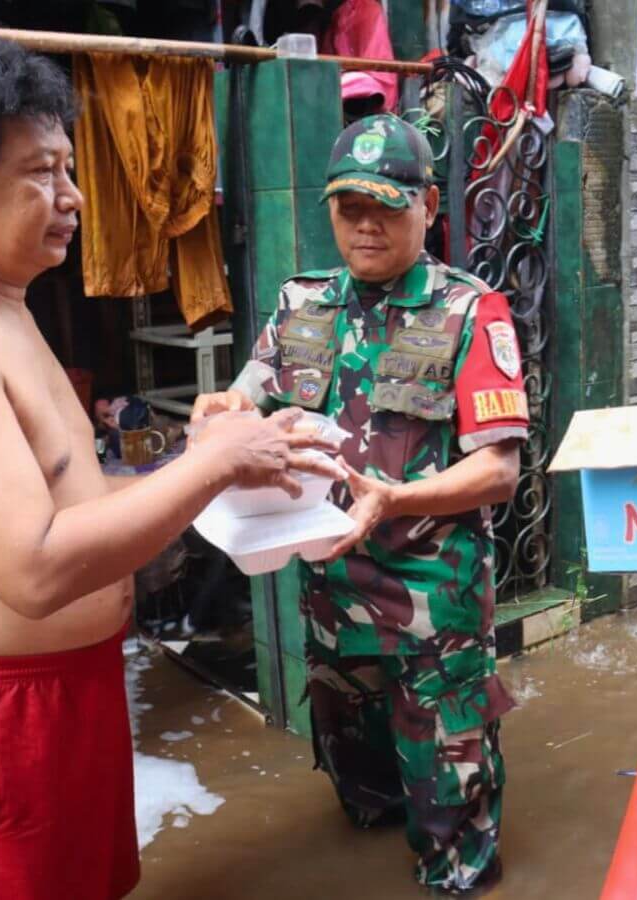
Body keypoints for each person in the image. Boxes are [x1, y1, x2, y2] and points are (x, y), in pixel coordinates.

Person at [0, 40, 338, 900]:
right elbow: (34, 569)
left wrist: (213, 468)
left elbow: (72, 500)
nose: (71, 198)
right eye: (40, 172)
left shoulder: (2, 313)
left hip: (71, 685)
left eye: (69, 168)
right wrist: (209, 466)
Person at [225, 113, 526, 894]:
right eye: (349, 205)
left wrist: (393, 500)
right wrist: (212, 418)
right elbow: (242, 407)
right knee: (360, 789)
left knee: (451, 825)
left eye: (387, 206)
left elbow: (499, 471)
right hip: (330, 598)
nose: (365, 225)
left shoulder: (470, 311)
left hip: (433, 607)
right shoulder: (300, 304)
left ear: (428, 204)